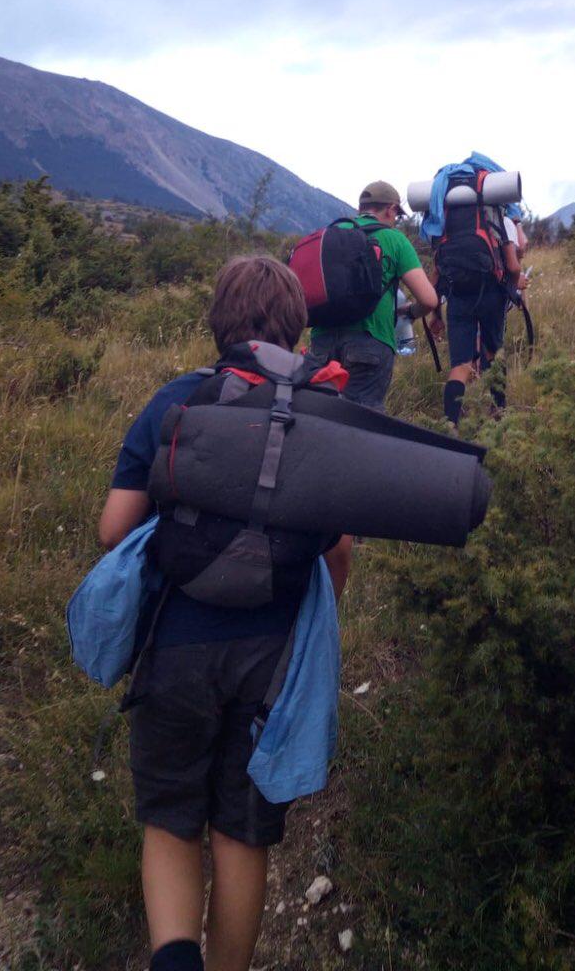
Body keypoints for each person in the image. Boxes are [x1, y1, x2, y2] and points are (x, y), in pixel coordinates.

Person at [97, 256, 352, 971]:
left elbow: (114, 529)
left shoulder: (177, 400)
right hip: (269, 660)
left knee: (172, 818)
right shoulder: (319, 415)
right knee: (242, 831)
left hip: (176, 647)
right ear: (299, 330)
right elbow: (338, 556)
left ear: (218, 322)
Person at [308, 180, 438, 411]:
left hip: (321, 343)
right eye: (396, 216)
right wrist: (411, 312)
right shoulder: (394, 239)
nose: (396, 221)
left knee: (320, 415)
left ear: (361, 208)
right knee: (363, 422)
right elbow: (429, 299)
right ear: (391, 209)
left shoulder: (330, 233)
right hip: (371, 341)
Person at [427, 180, 527, 427]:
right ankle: (498, 416)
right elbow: (513, 267)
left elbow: (436, 275)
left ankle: (450, 425)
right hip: (492, 295)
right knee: (493, 355)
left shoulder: (444, 224)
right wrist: (515, 288)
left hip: (457, 297)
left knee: (460, 365)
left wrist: (435, 314)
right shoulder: (500, 220)